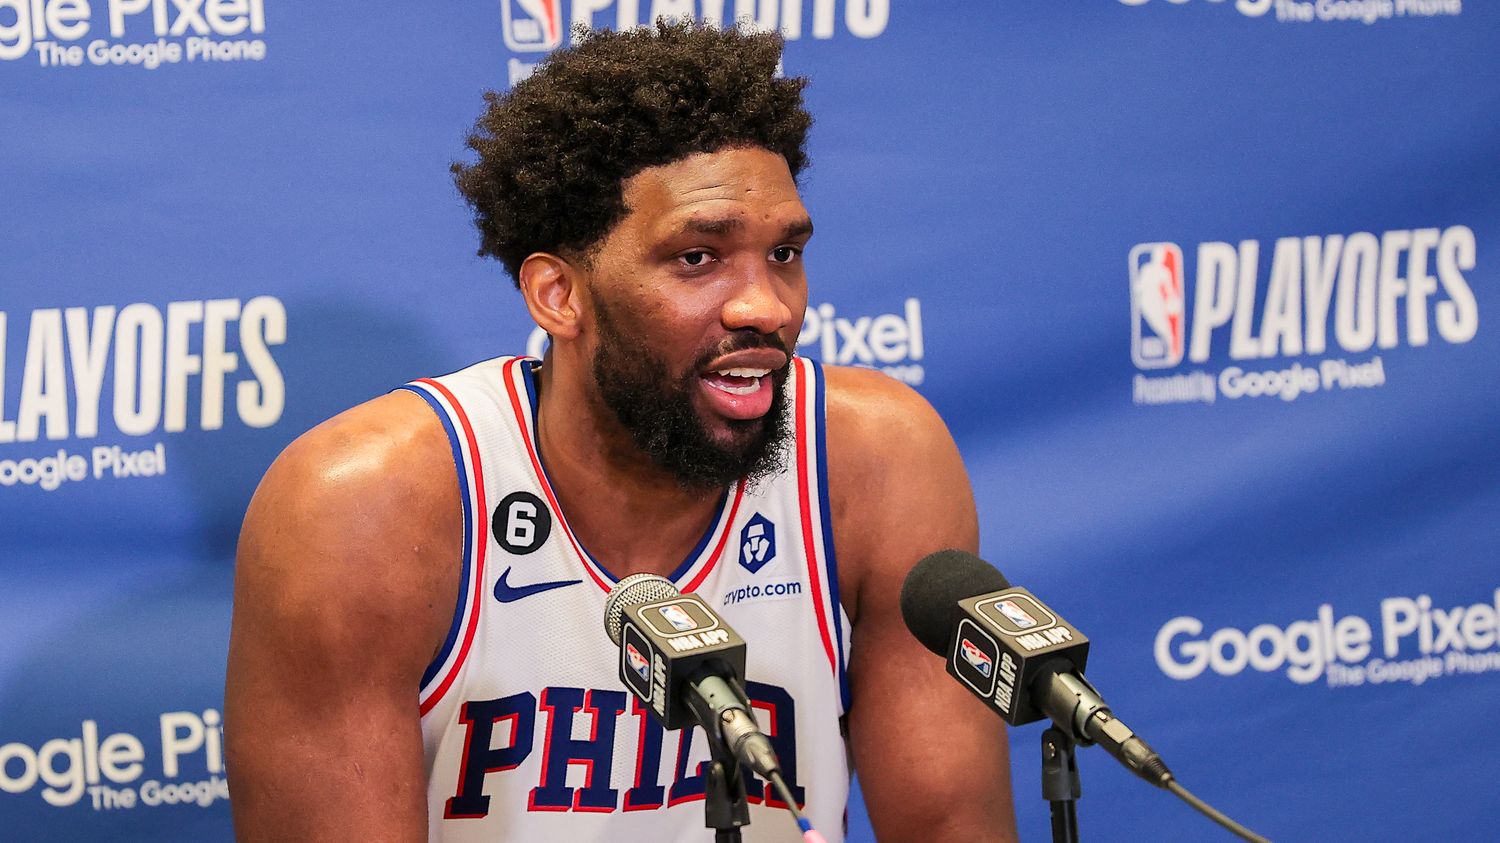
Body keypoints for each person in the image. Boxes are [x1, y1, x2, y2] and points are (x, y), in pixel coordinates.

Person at [225, 21, 1017, 843]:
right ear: (558, 295)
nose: (768, 307)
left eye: (784, 253)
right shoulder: (362, 507)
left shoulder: (874, 461)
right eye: (698, 258)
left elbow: (951, 827)